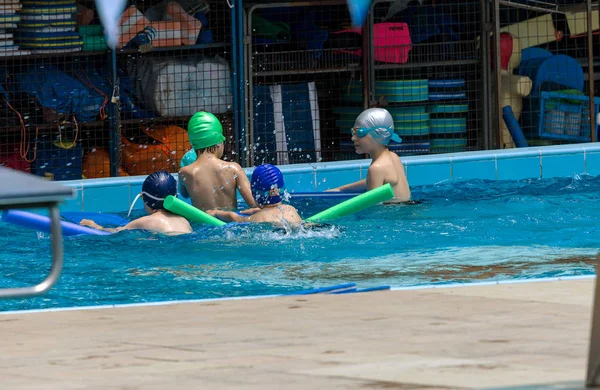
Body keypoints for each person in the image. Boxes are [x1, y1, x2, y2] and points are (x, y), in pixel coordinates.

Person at [327, 108, 411, 202]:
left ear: (378, 134)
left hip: (394, 214)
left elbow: (374, 210)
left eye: (360, 132)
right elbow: (370, 181)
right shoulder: (394, 157)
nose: (353, 138)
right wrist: (340, 190)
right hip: (409, 207)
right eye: (353, 132)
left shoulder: (376, 168)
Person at [178, 111, 258, 211]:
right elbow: (255, 204)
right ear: (219, 143)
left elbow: (184, 195)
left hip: (202, 224)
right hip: (230, 224)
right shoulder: (233, 169)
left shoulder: (185, 172)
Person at [80, 171, 192, 235]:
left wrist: (94, 225)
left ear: (146, 199)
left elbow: (114, 232)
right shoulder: (184, 220)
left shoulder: (145, 221)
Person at [207, 164, 302, 227]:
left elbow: (234, 217)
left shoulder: (256, 219)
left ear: (254, 193)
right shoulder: (291, 209)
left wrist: (216, 213)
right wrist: (258, 210)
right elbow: (273, 211)